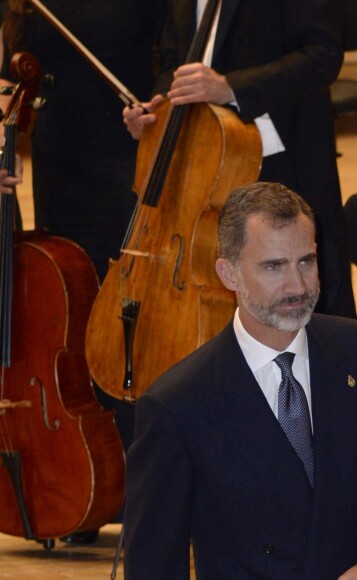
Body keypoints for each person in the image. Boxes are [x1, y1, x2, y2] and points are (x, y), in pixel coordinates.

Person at [123, 182, 357, 580]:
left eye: (306, 261)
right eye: (274, 266)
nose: (298, 286)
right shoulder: (177, 404)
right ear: (228, 273)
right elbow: (154, 564)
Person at [0, 0, 168, 540]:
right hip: (58, 159)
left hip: (130, 153)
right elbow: (11, 67)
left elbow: (174, 54)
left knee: (129, 321)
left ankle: (147, 485)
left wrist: (160, 104)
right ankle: (84, 485)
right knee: (69, 315)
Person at [122, 0, 357, 318]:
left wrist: (229, 88)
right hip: (206, 161)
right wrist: (158, 110)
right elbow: (173, 63)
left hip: (283, 153)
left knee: (297, 296)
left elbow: (322, 56)